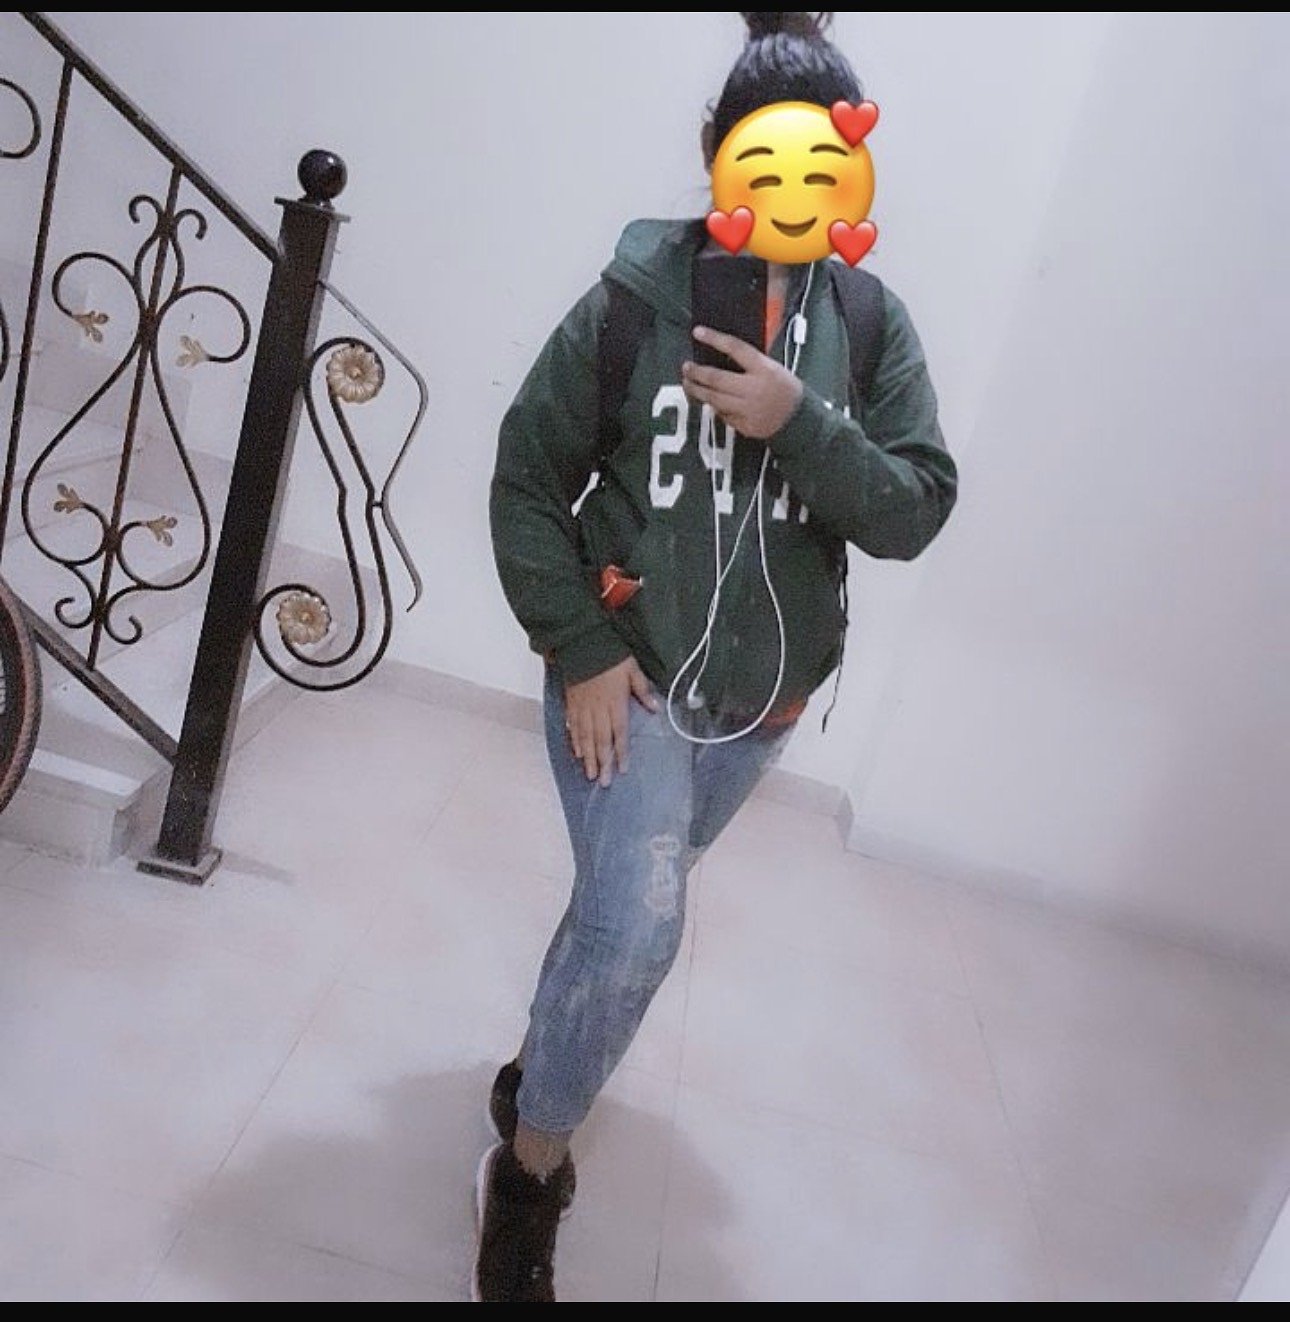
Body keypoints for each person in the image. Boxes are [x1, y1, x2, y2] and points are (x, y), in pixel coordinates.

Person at [477, 11, 957, 1302]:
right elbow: (526, 480)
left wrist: (801, 422)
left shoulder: (871, 323)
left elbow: (914, 509)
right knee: (638, 927)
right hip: (623, 673)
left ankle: (538, 1072)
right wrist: (579, 645)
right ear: (718, 156)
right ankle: (526, 1176)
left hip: (761, 707)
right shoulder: (634, 302)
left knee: (616, 915)